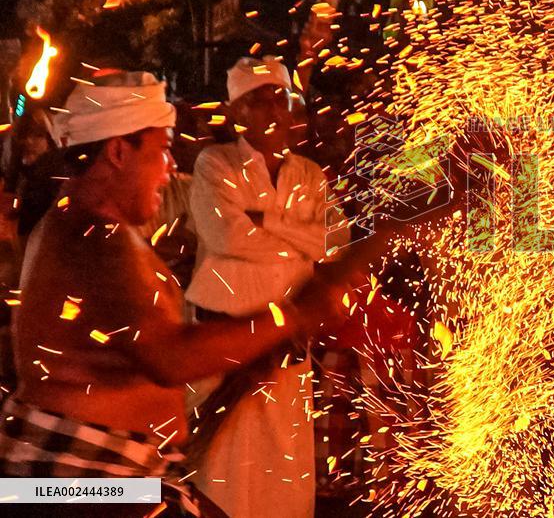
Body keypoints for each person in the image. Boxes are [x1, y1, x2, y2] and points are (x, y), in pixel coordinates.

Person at [0, 70, 363, 517]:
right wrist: (291, 316)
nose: (171, 167)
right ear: (117, 151)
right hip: (76, 484)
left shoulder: (94, 227)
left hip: (112, 477)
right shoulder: (92, 233)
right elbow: (171, 357)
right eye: (162, 150)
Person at [184, 56, 397, 518]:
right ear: (236, 111)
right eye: (258, 101)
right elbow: (227, 237)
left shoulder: (309, 175)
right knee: (222, 472)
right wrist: (299, 240)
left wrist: (270, 221)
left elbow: (334, 241)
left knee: (281, 476)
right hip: (223, 345)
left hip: (286, 349)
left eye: (279, 98)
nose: (272, 110)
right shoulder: (215, 163)